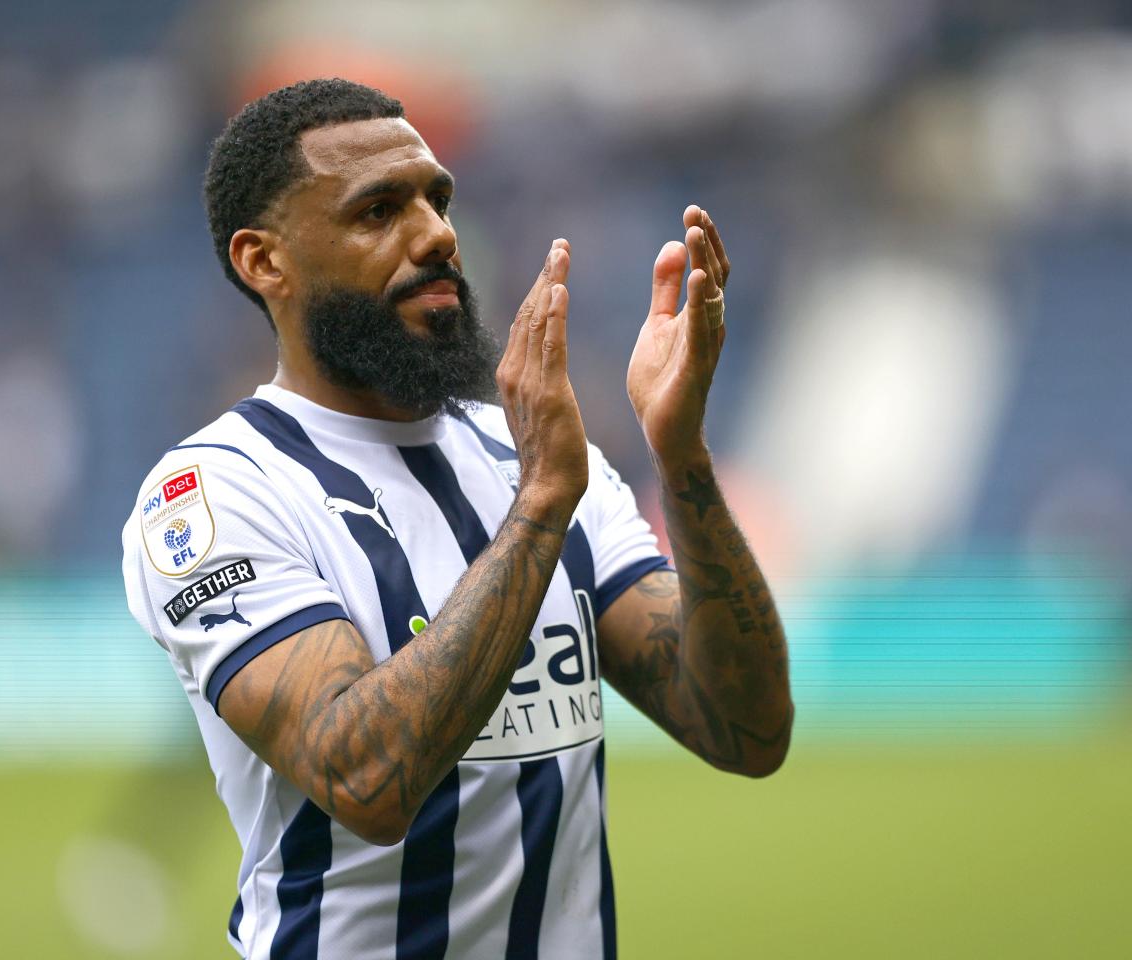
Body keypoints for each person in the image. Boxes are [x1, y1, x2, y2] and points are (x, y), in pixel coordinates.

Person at [121, 78, 792, 960]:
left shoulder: (535, 456)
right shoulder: (217, 494)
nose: (437, 234)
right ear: (265, 261)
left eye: (438, 199)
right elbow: (366, 780)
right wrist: (542, 509)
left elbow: (743, 728)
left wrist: (682, 456)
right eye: (377, 210)